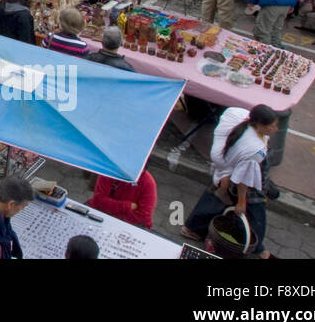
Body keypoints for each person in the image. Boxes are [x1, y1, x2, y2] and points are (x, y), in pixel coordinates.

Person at [181, 104, 278, 257]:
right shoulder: (254, 149)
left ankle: (193, 227)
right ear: (259, 125)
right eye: (272, 126)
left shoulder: (241, 118)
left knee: (218, 195)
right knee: (255, 206)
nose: (275, 129)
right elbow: (243, 179)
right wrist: (241, 201)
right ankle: (258, 248)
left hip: (229, 166)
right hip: (238, 174)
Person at [88, 170, 157, 229]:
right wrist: (128, 206)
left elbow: (143, 217)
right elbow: (98, 201)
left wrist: (110, 207)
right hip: (103, 216)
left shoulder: (148, 183)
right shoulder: (110, 171)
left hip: (130, 226)